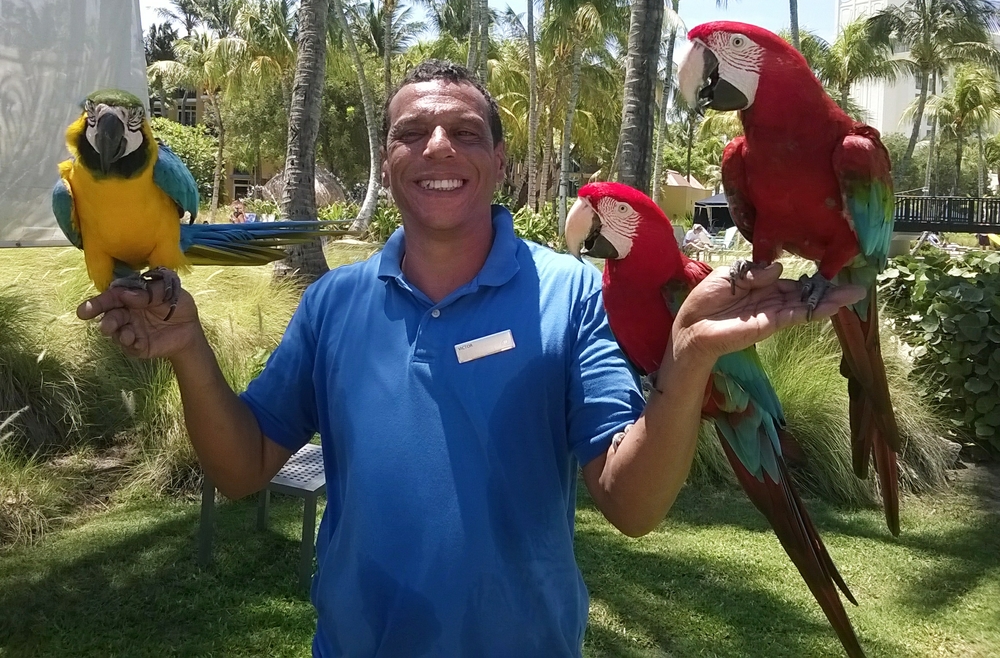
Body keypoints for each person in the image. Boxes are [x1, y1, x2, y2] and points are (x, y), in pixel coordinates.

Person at [77, 60, 863, 657]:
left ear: (496, 164)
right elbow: (244, 468)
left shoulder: (572, 296)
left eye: (465, 132)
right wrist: (188, 350)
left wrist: (687, 361)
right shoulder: (335, 304)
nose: (438, 147)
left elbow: (632, 506)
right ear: (387, 162)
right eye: (411, 133)